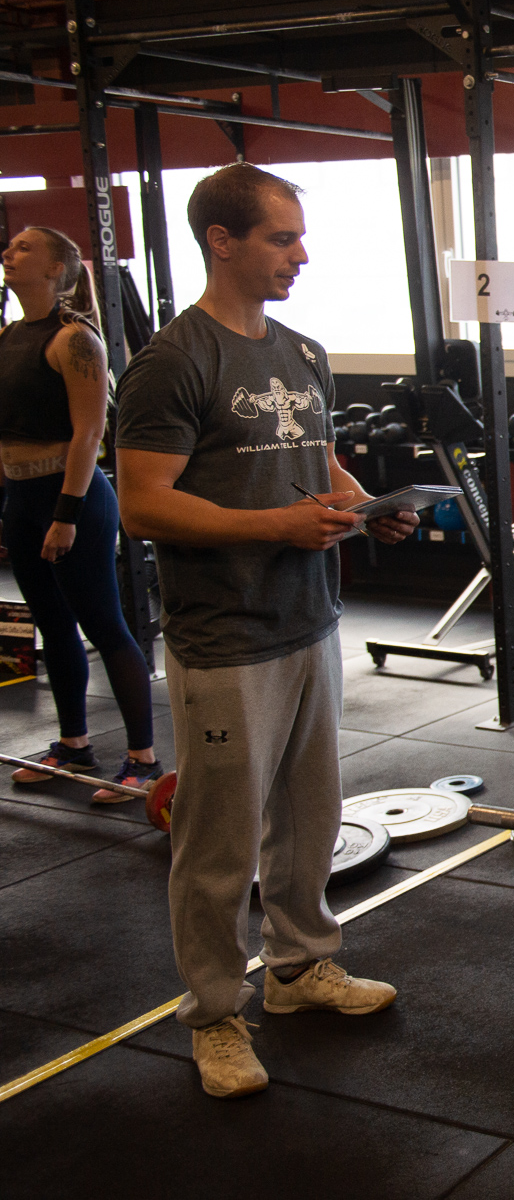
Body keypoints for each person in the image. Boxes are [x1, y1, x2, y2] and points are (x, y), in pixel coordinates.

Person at [115, 162, 419, 1100]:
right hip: (223, 636)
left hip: (307, 619)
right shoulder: (173, 362)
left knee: (310, 816)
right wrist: (275, 529)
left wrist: (367, 509)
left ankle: (297, 969)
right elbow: (140, 504)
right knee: (219, 840)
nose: (301, 254)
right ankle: (213, 1013)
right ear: (223, 241)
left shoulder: (302, 352)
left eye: (298, 237)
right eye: (282, 238)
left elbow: (316, 461)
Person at [0, 226, 161, 799]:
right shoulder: (7, 335)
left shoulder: (74, 340)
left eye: (24, 247)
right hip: (22, 499)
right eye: (10, 245)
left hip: (74, 500)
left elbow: (91, 431)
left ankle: (141, 758)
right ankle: (74, 745)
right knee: (50, 621)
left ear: (55, 271)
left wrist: (65, 514)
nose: (9, 252)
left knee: (104, 623)